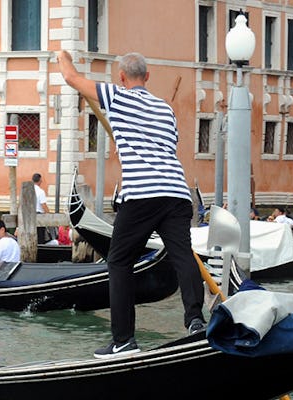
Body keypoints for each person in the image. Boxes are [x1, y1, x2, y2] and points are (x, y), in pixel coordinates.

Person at [58, 50, 205, 359]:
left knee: (119, 261)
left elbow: (72, 78)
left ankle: (123, 340)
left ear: (122, 78)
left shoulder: (117, 96)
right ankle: (195, 321)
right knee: (182, 256)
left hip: (142, 194)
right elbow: (164, 146)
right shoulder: (165, 109)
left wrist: (61, 54)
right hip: (177, 192)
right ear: (147, 77)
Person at [32, 173, 54, 244]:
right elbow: (43, 205)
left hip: (30, 216)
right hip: (39, 216)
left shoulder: (28, 190)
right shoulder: (41, 192)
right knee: (40, 235)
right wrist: (49, 215)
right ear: (40, 180)